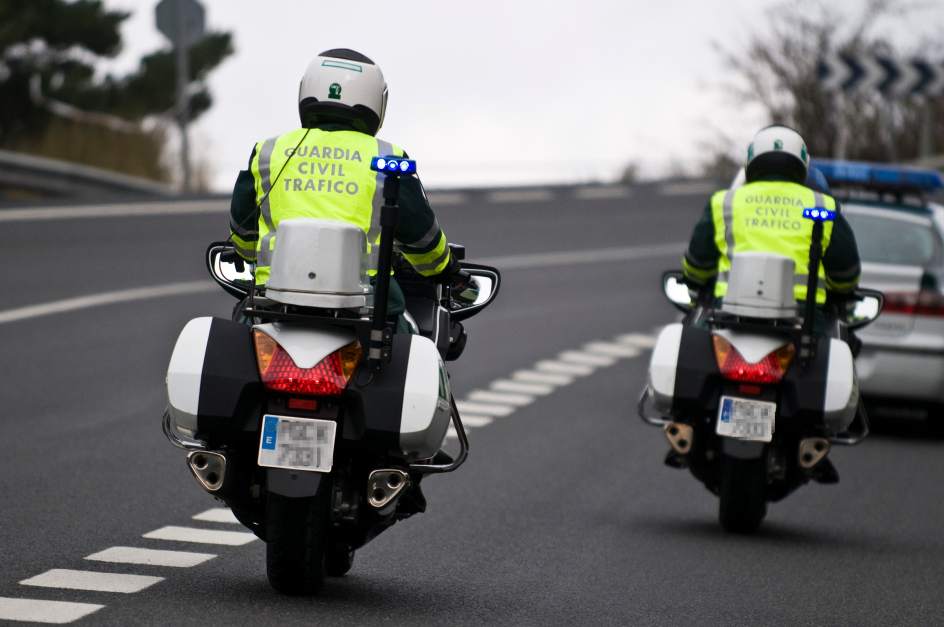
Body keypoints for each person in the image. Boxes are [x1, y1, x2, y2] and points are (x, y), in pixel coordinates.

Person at [227, 48, 474, 326]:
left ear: (305, 90)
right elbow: (421, 236)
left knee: (240, 332)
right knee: (413, 342)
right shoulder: (388, 156)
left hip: (273, 298)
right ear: (377, 101)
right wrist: (445, 268)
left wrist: (249, 254)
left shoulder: (269, 151)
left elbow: (243, 230)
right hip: (368, 306)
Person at [681, 125, 861, 311]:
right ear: (803, 164)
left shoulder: (725, 202)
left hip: (727, 314)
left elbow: (697, 265)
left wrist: (696, 281)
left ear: (751, 161)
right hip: (805, 316)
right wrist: (840, 292)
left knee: (693, 324)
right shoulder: (822, 207)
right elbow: (846, 274)